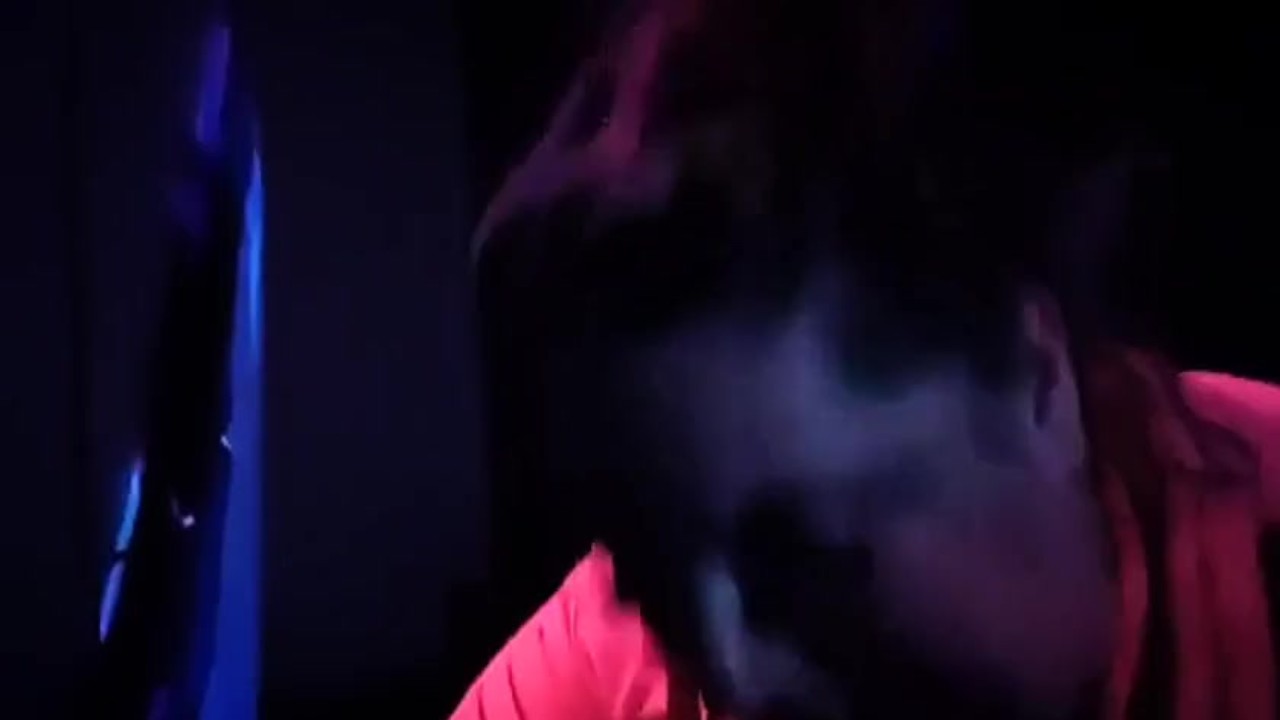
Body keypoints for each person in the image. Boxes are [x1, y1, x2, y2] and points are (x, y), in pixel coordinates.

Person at [452, 0, 1280, 717]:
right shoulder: (612, 654)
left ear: (1038, 380)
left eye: (806, 558)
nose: (733, 680)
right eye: (657, 587)